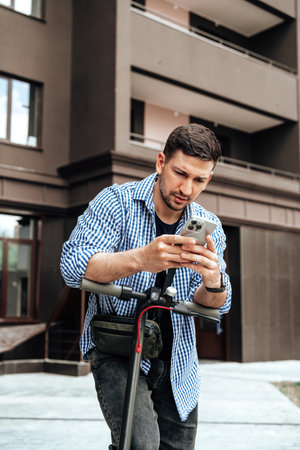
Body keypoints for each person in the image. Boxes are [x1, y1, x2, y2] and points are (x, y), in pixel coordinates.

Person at [60, 123, 232, 450]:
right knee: (140, 443)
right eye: (180, 173)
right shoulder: (115, 203)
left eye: (199, 179)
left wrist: (213, 282)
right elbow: (72, 267)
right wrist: (141, 259)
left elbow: (217, 305)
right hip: (118, 347)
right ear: (160, 163)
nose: (187, 188)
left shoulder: (210, 226)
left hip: (178, 354)